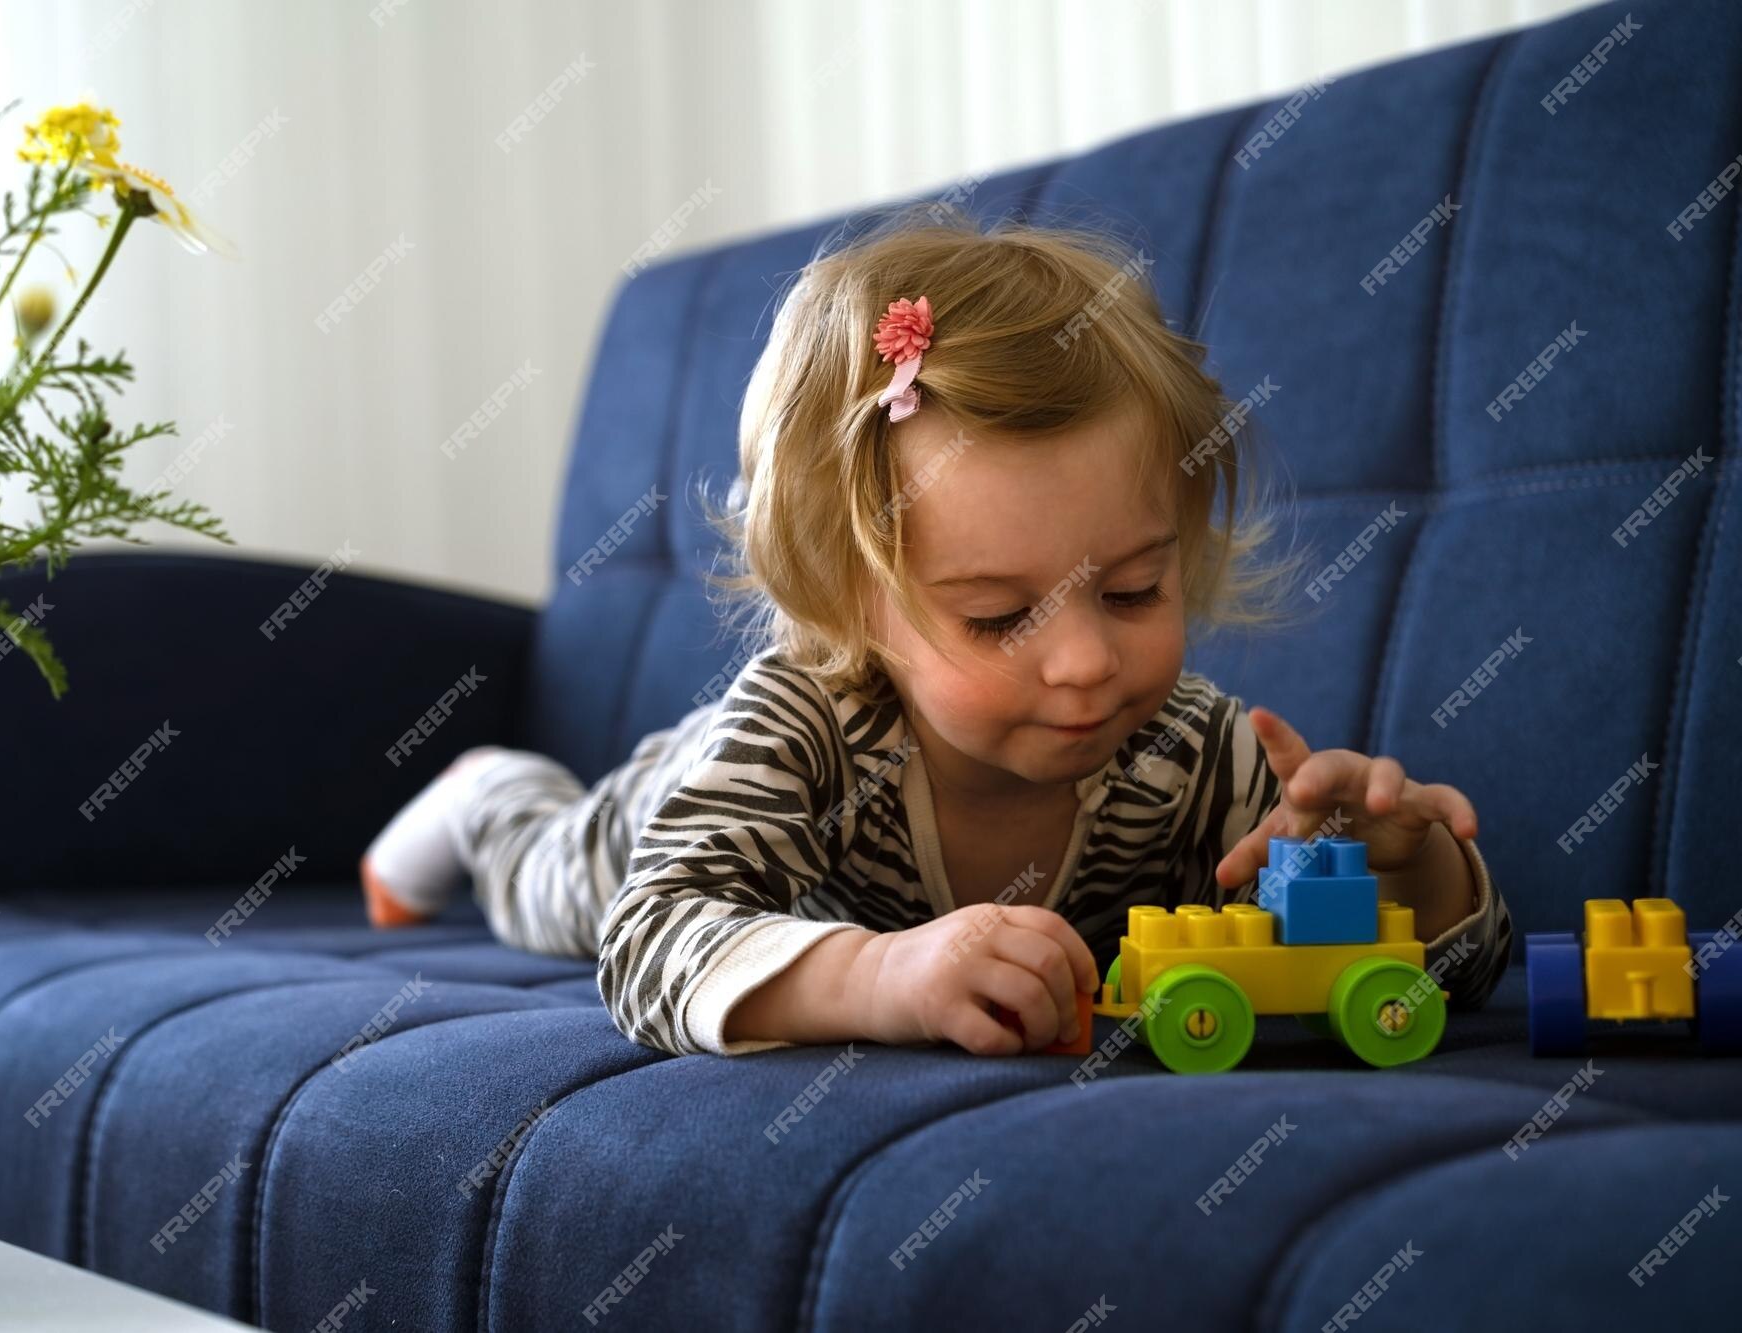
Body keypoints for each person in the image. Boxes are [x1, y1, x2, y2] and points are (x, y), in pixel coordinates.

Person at [361, 208, 1512, 1057]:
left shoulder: (1193, 752)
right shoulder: (802, 724)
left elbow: (1447, 981)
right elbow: (649, 937)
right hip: (663, 816)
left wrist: (1405, 868)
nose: (1085, 662)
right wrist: (881, 975)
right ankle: (486, 792)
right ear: (841, 598)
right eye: (998, 615)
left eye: (1128, 591)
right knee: (542, 872)